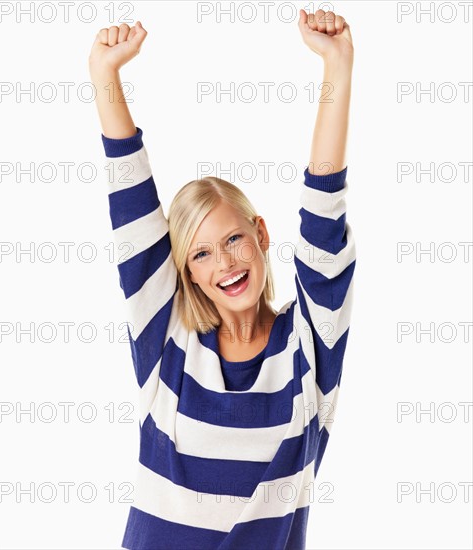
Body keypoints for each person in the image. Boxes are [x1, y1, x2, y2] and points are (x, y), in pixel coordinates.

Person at [89, 9, 356, 550]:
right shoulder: (168, 344)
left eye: (233, 239)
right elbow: (133, 208)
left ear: (260, 233)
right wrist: (105, 75)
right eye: (201, 254)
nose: (224, 264)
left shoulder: (306, 349)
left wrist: (338, 68)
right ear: (185, 270)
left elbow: (325, 217)